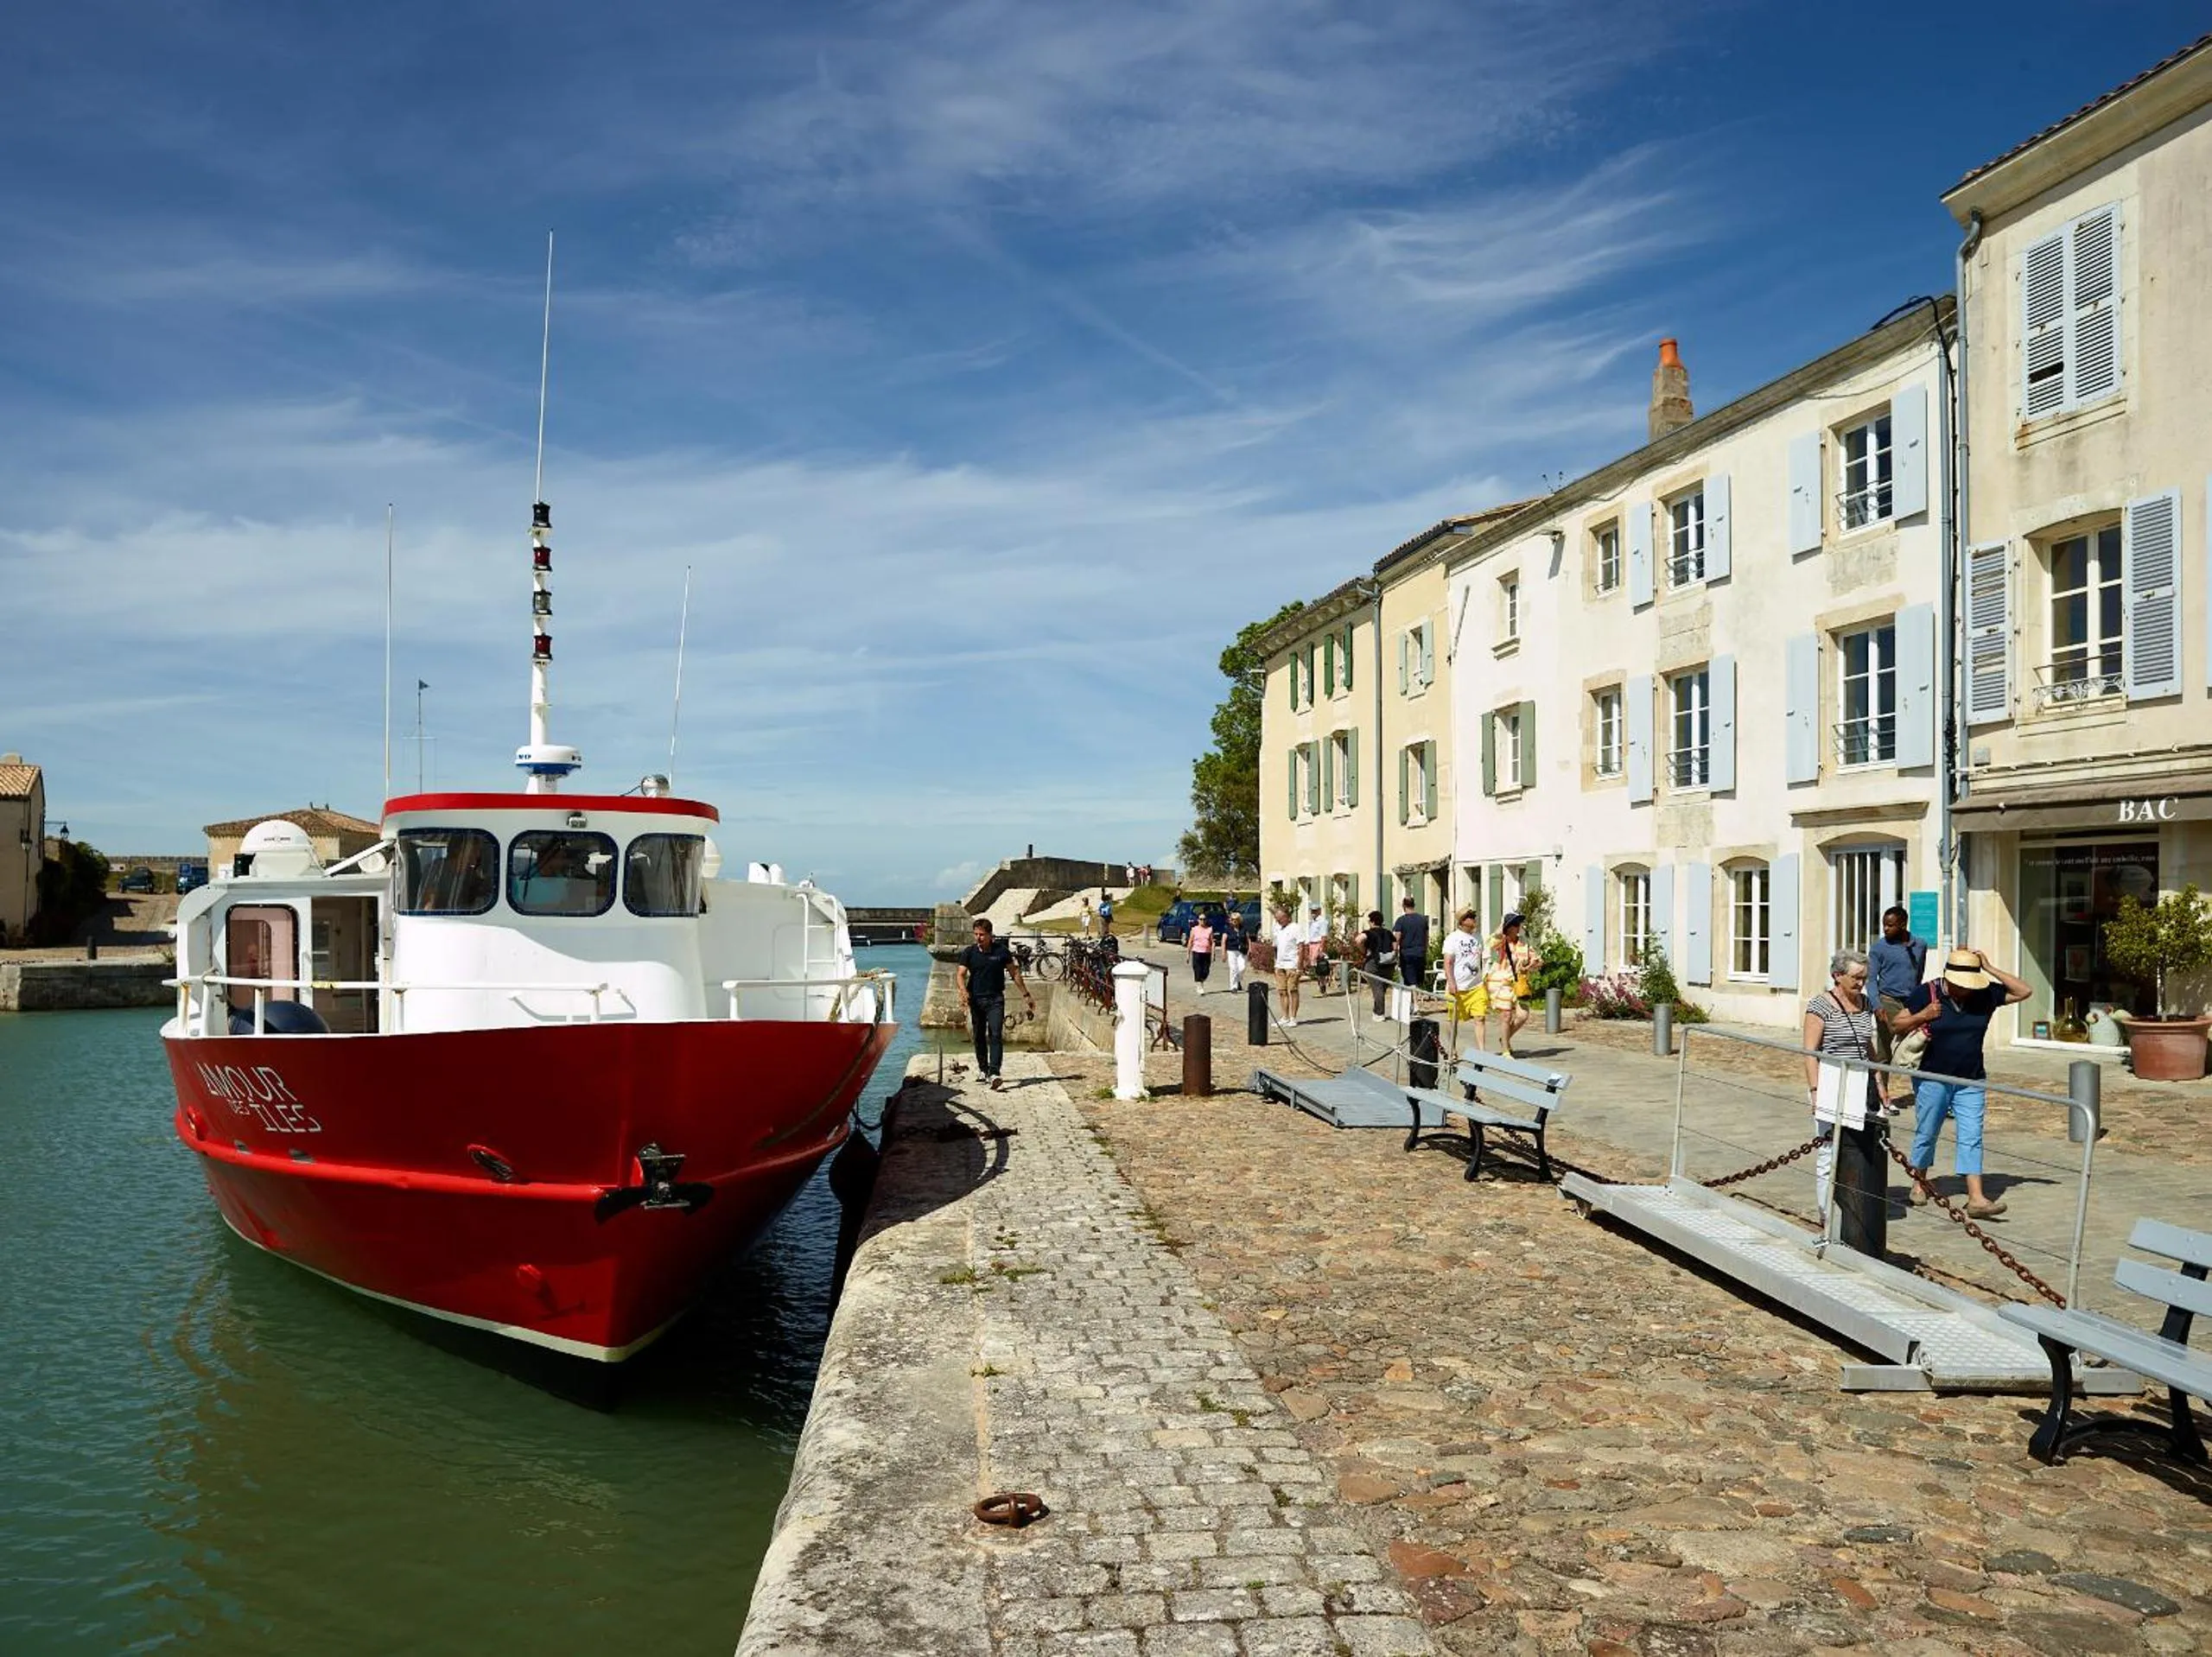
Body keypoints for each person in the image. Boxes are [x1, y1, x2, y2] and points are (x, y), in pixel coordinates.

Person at [1891, 947, 2031, 1218]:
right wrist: (1923, 1016)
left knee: (1972, 1136)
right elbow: (1897, 1025)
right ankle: (1919, 1181)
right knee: (1927, 1131)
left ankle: (1976, 1198)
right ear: (1948, 978)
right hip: (1933, 1077)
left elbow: (2024, 991)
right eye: (1961, 985)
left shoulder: (1984, 993)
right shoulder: (1927, 992)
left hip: (1971, 1078)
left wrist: (1989, 968)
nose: (1965, 990)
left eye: (1970, 984)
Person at [1802, 949, 1883, 1221]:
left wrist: (1879, 1081)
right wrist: (1815, 1091)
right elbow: (1810, 1052)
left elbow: (1867, 1045)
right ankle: (1827, 1213)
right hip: (1830, 1081)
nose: (1861, 983)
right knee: (1829, 1149)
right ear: (1838, 976)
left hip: (1859, 1082)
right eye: (1856, 977)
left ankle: (1854, 1205)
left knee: (1858, 1146)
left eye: (1864, 978)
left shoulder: (1866, 1003)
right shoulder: (1820, 1005)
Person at [957, 917, 1033, 1091]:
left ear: (990, 935)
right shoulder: (969, 952)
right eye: (976, 934)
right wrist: (963, 991)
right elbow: (960, 974)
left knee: (996, 1034)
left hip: (995, 999)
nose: (978, 938)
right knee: (978, 1035)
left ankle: (994, 1072)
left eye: (982, 935)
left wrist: (1026, 995)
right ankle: (983, 1069)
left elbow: (1014, 973)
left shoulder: (1001, 951)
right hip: (976, 1000)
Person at [1867, 905, 1929, 1076]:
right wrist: (1877, 1005)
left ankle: (1919, 1086)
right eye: (1884, 925)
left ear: (1903, 924)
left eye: (1890, 925)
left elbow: (1919, 974)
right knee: (1884, 1050)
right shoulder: (1879, 948)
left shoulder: (1920, 945)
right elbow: (1871, 979)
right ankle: (1880, 1090)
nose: (1885, 929)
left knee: (1918, 1042)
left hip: (1911, 1002)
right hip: (1888, 1000)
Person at [1484, 911, 1538, 1057]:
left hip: (1520, 984)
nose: (1518, 926)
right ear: (1508, 928)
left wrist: (1531, 965)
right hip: (1502, 983)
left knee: (1523, 1016)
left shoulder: (1524, 945)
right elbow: (1491, 942)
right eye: (1514, 924)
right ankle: (1505, 1050)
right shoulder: (1502, 942)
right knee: (1506, 1015)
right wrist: (1502, 926)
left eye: (1518, 923)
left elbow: (1536, 961)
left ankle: (1505, 1038)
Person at [1441, 909, 1486, 1055]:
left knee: (1480, 1018)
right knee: (1453, 1020)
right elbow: (1448, 962)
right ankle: (1452, 1049)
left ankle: (1482, 1053)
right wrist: (1451, 982)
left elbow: (1481, 959)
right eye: (1470, 917)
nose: (1474, 919)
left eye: (1474, 916)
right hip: (1458, 987)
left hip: (1476, 986)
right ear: (1462, 921)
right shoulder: (1452, 939)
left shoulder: (1478, 937)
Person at [1359, 910, 1396, 1018]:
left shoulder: (1369, 933)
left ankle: (1379, 1013)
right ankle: (1376, 1011)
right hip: (1389, 964)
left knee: (1377, 988)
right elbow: (1395, 946)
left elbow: (1358, 940)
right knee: (1381, 989)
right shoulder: (1388, 933)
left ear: (1372, 922)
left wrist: (1363, 950)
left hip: (1374, 962)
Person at [1392, 897, 1431, 999]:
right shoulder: (1423, 920)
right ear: (1414, 905)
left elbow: (1397, 938)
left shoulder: (1401, 920)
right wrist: (1425, 950)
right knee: (1418, 979)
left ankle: (1415, 1003)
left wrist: (1394, 952)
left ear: (1404, 906)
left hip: (1407, 953)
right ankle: (1416, 1000)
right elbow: (1426, 937)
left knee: (1410, 980)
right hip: (1420, 952)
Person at [1270, 905, 1303, 1025]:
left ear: (1287, 917)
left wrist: (1299, 966)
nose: (1278, 921)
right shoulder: (1277, 929)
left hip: (1292, 964)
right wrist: (1275, 963)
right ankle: (1285, 1017)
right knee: (1282, 991)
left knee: (1292, 990)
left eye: (1280, 919)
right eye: (1277, 919)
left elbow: (1301, 948)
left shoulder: (1296, 928)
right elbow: (1275, 947)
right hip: (1280, 964)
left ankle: (1293, 1017)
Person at [1303, 902, 1332, 991]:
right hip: (1312, 944)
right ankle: (1320, 984)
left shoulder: (1322, 921)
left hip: (1318, 944)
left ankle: (1323, 985)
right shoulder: (1312, 921)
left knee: (1321, 966)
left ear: (1319, 911)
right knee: (1315, 966)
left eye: (1315, 911)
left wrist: (1321, 950)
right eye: (1312, 911)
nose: (1313, 913)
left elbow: (1323, 937)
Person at [1221, 908, 1250, 992]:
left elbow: (1248, 939)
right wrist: (1223, 953)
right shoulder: (1228, 929)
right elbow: (1223, 941)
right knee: (1233, 968)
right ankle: (1233, 987)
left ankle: (1238, 981)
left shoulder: (1244, 929)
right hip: (1231, 950)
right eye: (1233, 919)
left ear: (1239, 920)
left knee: (1242, 968)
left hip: (1242, 951)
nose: (1234, 921)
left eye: (1236, 919)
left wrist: (1250, 949)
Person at [1187, 912, 1214, 991]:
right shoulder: (1194, 929)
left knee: (1206, 970)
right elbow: (1190, 941)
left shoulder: (1209, 929)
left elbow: (1212, 942)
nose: (1202, 921)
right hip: (1197, 951)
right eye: (1201, 919)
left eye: (1204, 919)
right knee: (1197, 969)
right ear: (1198, 920)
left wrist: (1213, 953)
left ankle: (1201, 980)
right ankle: (1199, 985)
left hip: (1206, 952)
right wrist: (1188, 954)